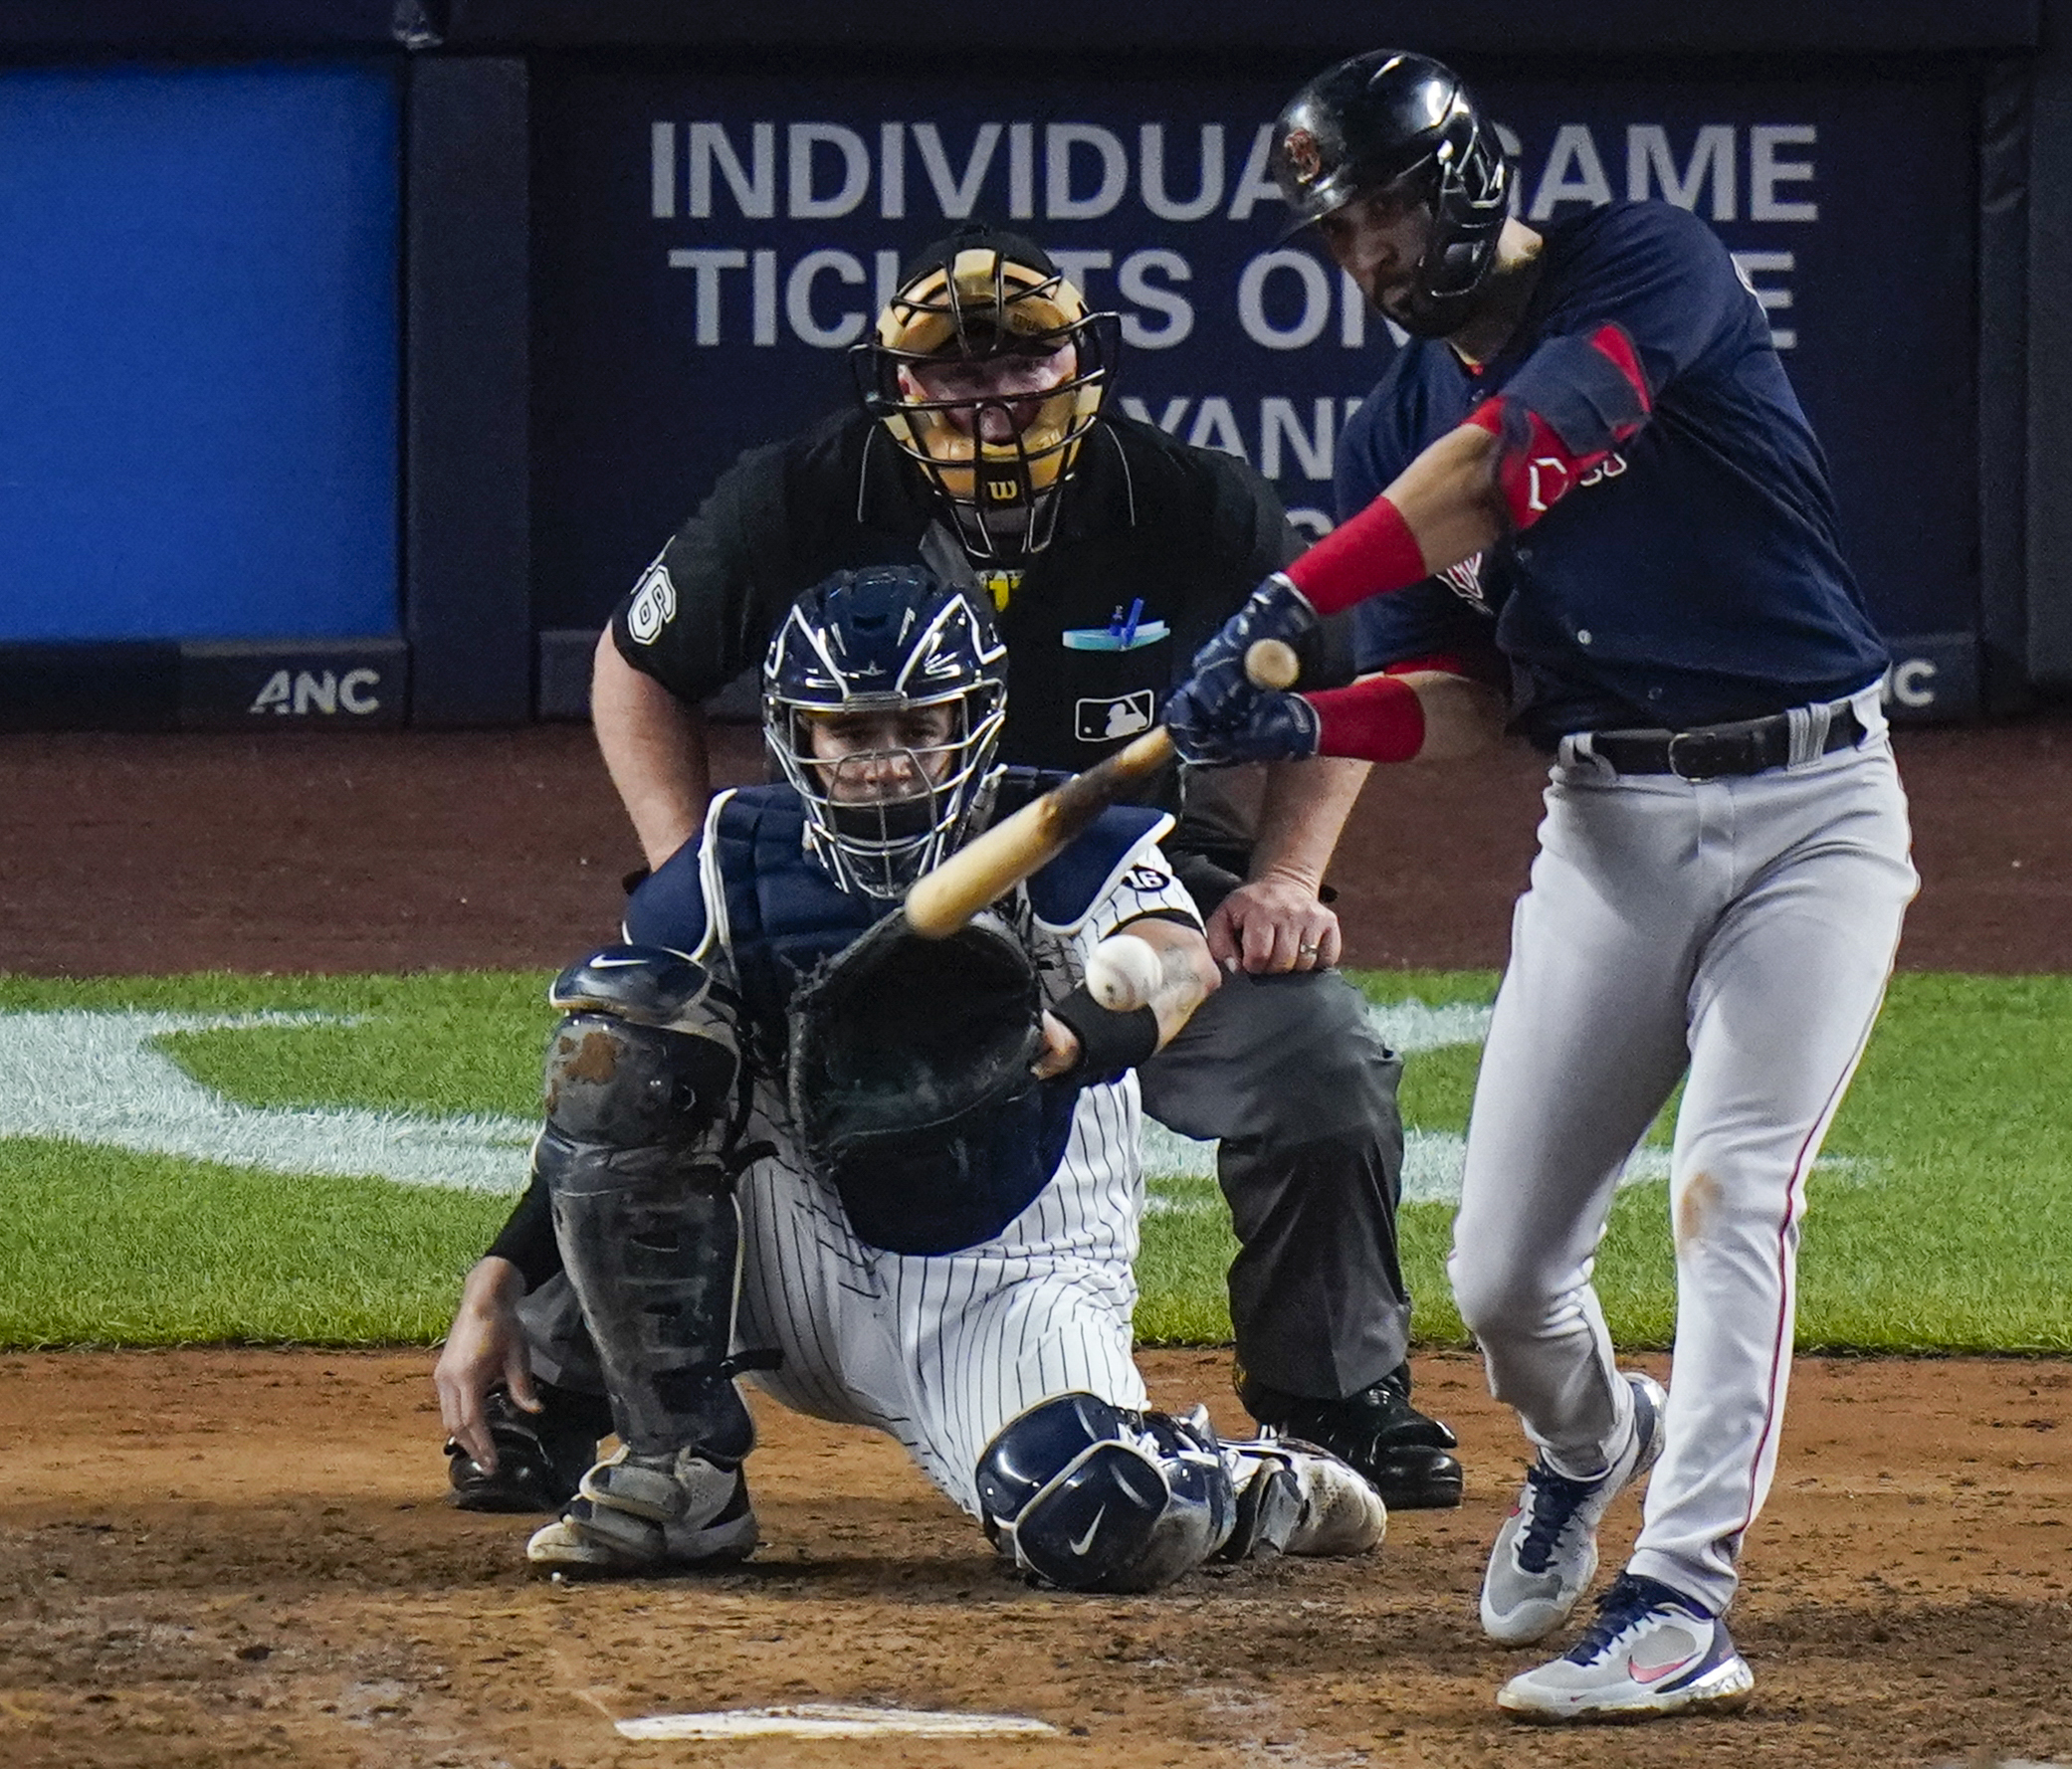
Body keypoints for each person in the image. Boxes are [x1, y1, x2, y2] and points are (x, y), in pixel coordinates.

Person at [1166, 52, 1921, 1720]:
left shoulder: (1646, 263)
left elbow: (1519, 453)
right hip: (1609, 831)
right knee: (1506, 1274)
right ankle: (1594, 1442)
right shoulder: (1391, 417)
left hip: (1813, 808)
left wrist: (1297, 587)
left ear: (1460, 183)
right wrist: (1306, 708)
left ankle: (1681, 1593)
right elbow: (1469, 700)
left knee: (1734, 1188)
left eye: (1377, 213)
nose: (1363, 256)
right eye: (1336, 232)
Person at [534, 225, 1460, 1512]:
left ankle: (1329, 1389)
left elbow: (1337, 678)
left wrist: (1289, 877)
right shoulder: (798, 492)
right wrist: (692, 861)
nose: (994, 395)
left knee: (1318, 1060)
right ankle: (569, 1388)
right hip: (850, 893)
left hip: (1118, 869)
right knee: (645, 1050)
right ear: (897, 385)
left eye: (1025, 360)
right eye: (954, 372)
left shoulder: (1193, 498)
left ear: (1084, 359)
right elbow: (637, 664)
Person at [437, 565, 1386, 1587]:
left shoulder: (1065, 834)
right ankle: (680, 1472)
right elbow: (612, 1088)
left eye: (915, 728)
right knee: (626, 1032)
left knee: (1097, 1516)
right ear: (798, 736)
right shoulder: (732, 856)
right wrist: (500, 1273)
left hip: (1007, 1281)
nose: (886, 763)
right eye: (853, 734)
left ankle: (1245, 1481)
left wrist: (1071, 1033)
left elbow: (1177, 958)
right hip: (791, 1247)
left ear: (971, 720)